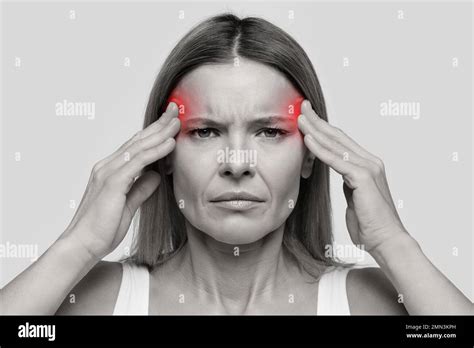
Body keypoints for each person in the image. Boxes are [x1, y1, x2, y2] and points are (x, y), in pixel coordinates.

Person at [1, 13, 471, 315]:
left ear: (310, 155)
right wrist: (79, 245)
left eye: (270, 132)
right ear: (164, 156)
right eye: (205, 131)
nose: (238, 162)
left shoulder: (373, 304)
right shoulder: (94, 302)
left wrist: (393, 243)